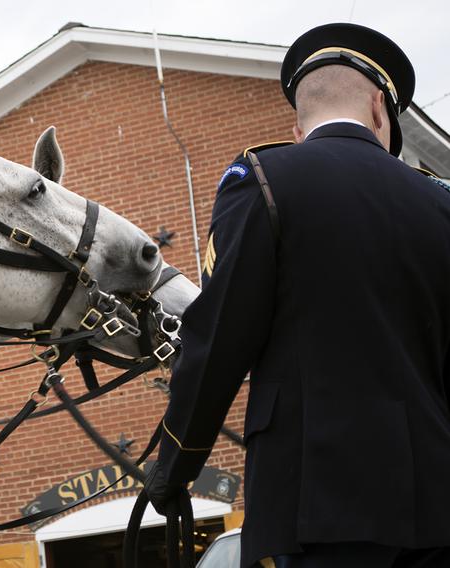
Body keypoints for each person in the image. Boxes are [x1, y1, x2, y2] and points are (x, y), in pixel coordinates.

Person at [146, 23, 450, 568]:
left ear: (297, 124)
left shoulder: (262, 177)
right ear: (381, 109)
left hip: (319, 503)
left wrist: (176, 465)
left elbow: (217, 341)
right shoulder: (440, 200)